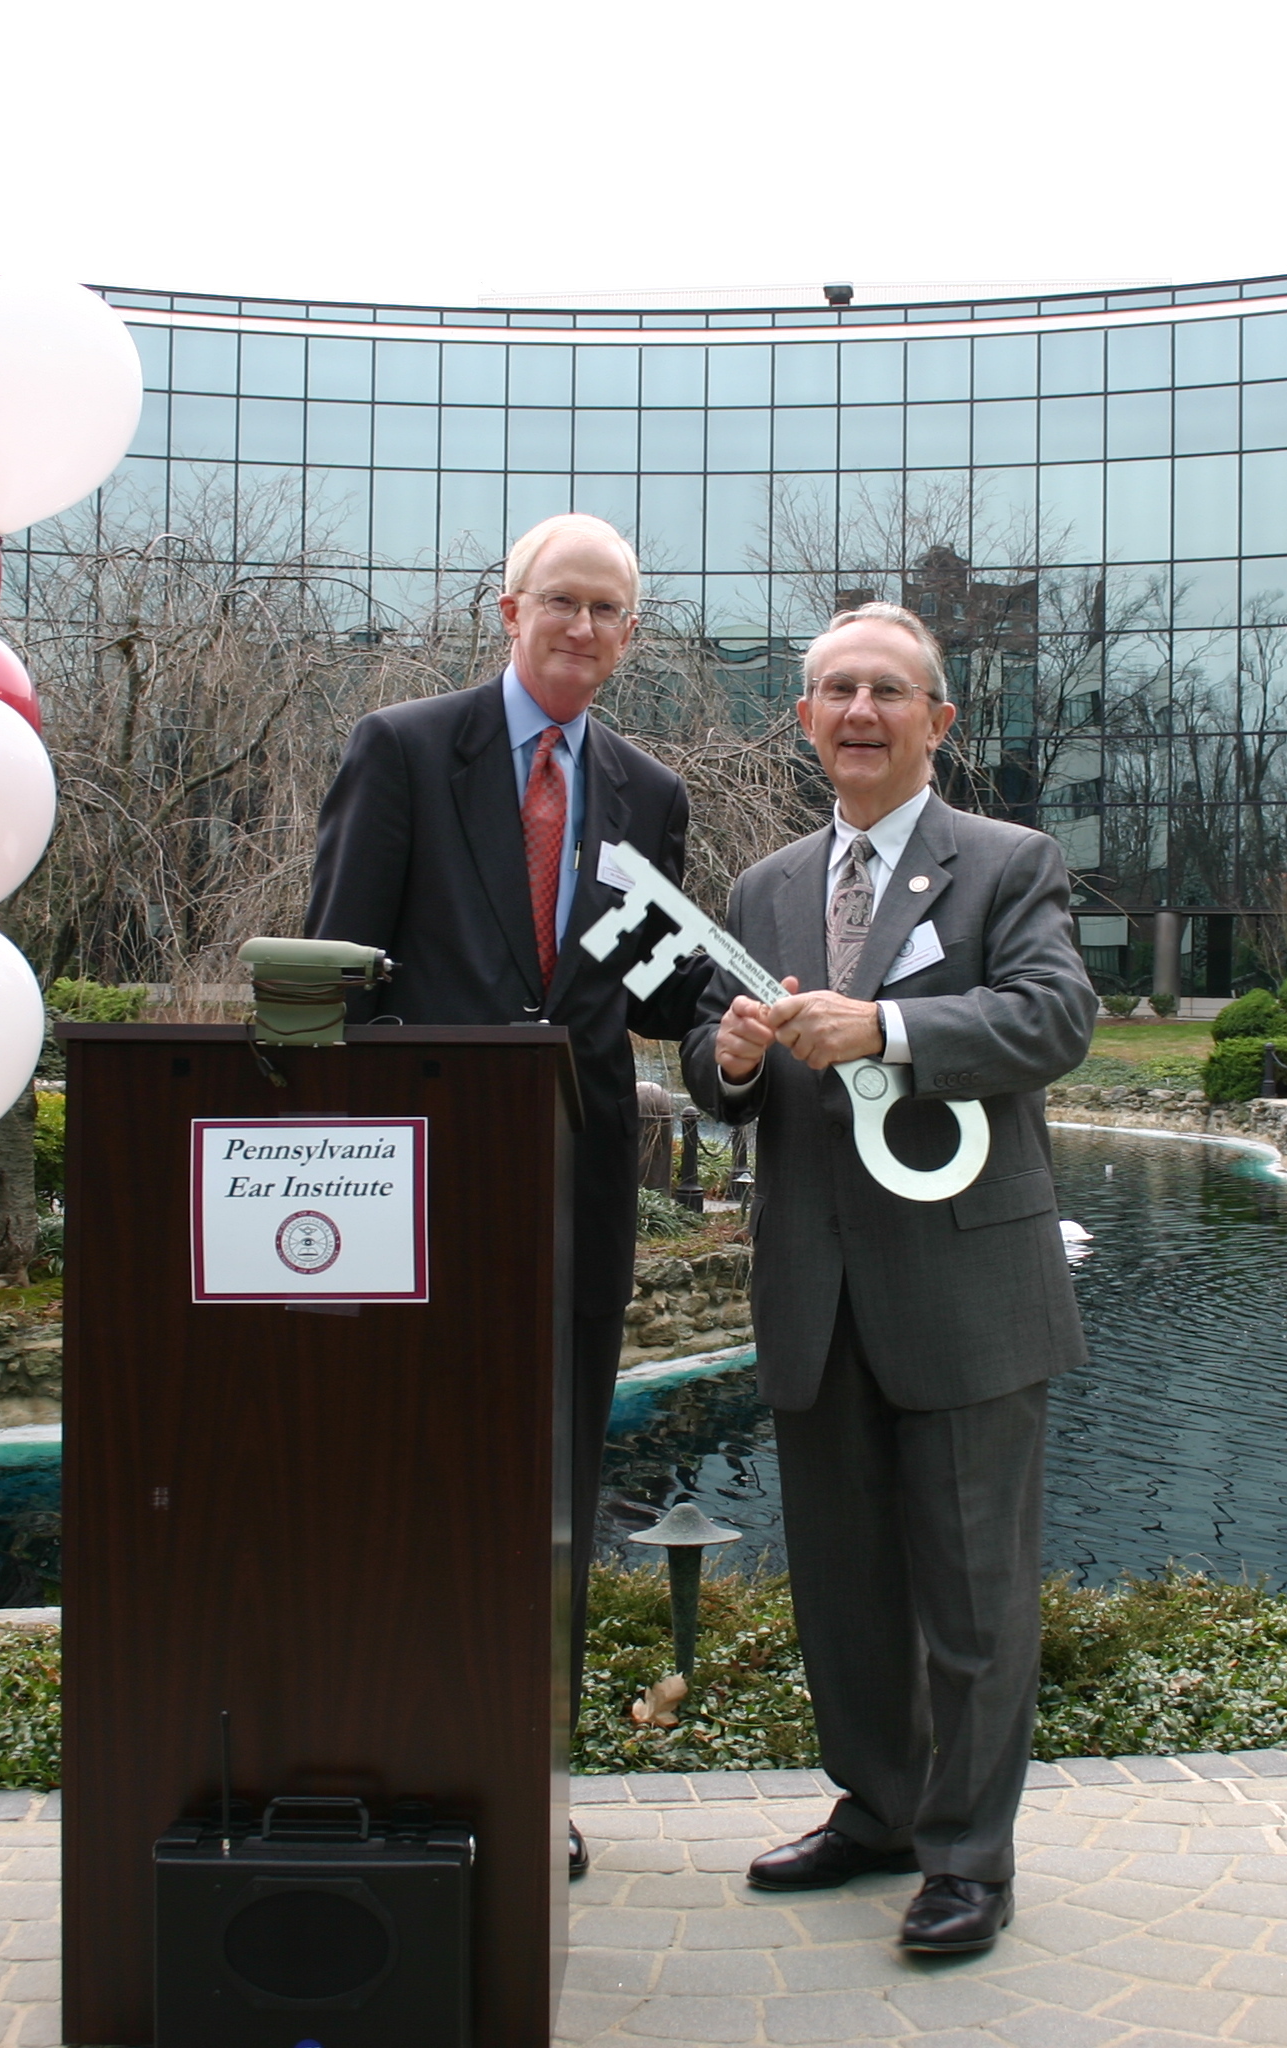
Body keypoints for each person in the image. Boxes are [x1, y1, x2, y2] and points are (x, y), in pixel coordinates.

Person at [681, 600, 1095, 1954]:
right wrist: (732, 1061)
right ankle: (878, 1813)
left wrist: (891, 1027)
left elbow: (1053, 1018)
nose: (859, 713)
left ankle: (970, 1859)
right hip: (815, 1295)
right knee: (847, 1595)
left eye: (887, 692)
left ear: (938, 722)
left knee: (974, 1602)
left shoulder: (1008, 864)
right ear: (802, 718)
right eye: (834, 691)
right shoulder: (764, 888)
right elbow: (706, 1062)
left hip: (969, 1297)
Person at [304, 512, 702, 1883]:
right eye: (562, 603)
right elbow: (334, 972)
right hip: (416, 1185)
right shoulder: (406, 750)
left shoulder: (650, 796)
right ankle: (403, 1756)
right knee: (411, 1472)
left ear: (632, 634)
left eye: (610, 611)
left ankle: (533, 1773)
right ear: (508, 607)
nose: (583, 628)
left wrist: (755, 1019)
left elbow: (653, 989)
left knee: (557, 1478)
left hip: (578, 1181)